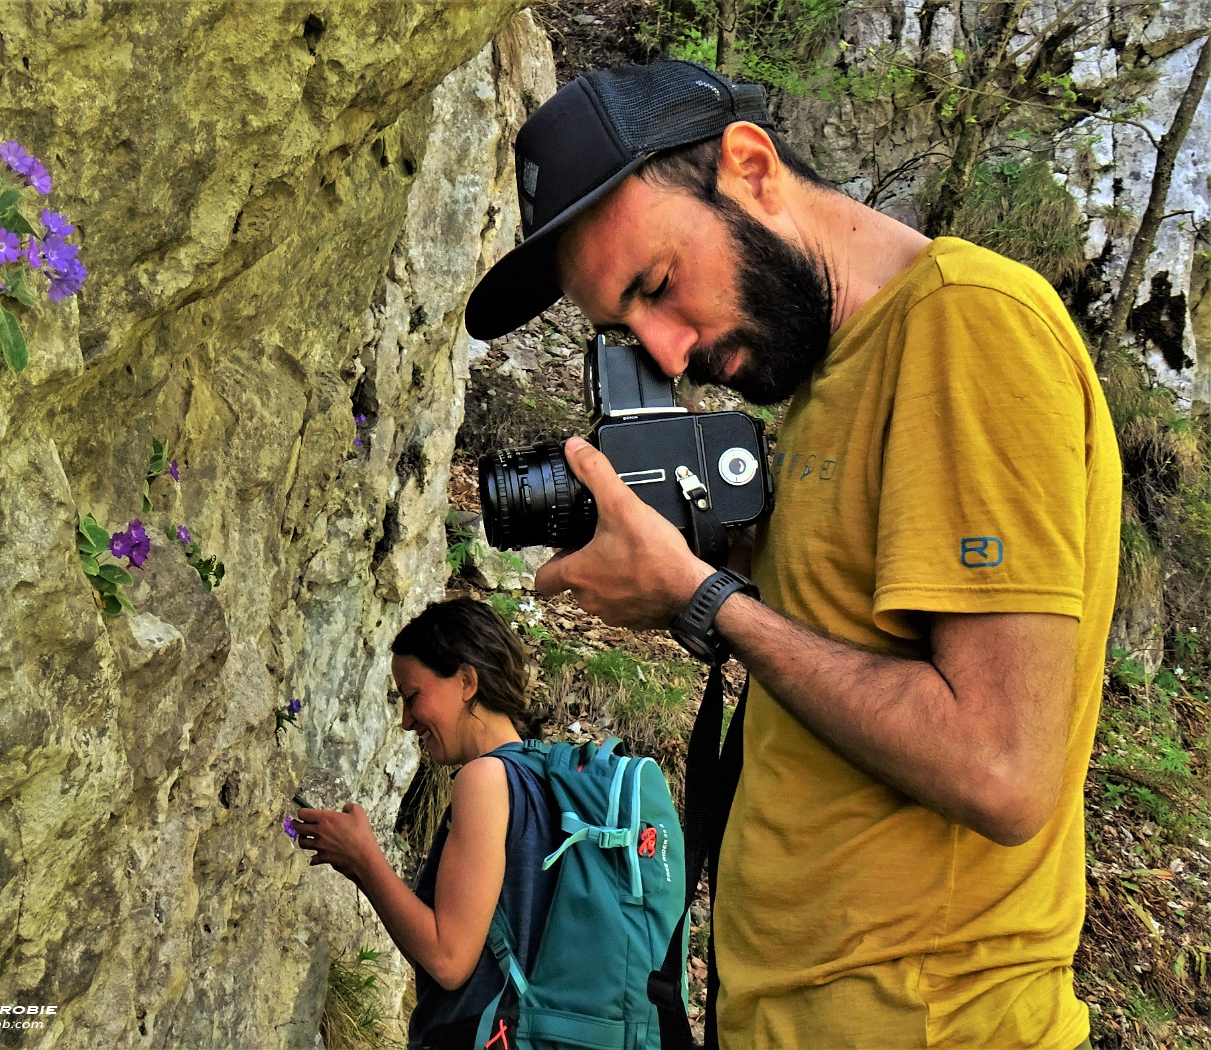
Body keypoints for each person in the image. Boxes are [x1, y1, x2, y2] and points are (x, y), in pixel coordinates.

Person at [463, 60, 1119, 1049]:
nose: (668, 351)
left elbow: (998, 768)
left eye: (657, 287)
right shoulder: (826, 385)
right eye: (625, 332)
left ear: (749, 164)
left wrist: (699, 599)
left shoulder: (966, 327)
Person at [296, 597, 555, 1049]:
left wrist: (363, 859)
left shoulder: (485, 780)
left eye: (413, 696)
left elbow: (448, 958)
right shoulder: (548, 777)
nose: (405, 720)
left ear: (467, 681)